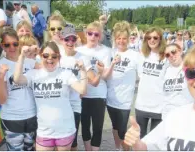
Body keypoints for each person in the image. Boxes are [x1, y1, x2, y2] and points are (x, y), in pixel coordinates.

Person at [12, 41, 87, 151]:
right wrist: (22, 56)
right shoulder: (34, 74)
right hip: (44, 131)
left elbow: (82, 90)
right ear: (40, 56)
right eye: (46, 55)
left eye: (54, 56)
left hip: (65, 130)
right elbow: (17, 79)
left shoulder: (65, 74)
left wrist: (83, 71)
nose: (49, 59)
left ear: (59, 57)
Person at [58, 26, 100, 151]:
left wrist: (100, 73)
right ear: (61, 40)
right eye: (67, 39)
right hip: (58, 103)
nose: (70, 42)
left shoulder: (82, 57)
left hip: (74, 105)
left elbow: (93, 81)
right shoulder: (55, 55)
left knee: (73, 141)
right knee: (57, 139)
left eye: (73, 39)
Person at [0, 28, 38, 151]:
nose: (12, 48)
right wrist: (2, 75)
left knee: (30, 149)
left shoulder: (30, 62)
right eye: (7, 45)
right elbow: (2, 100)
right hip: (12, 118)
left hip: (31, 114)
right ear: (2, 46)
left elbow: (51, 66)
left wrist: (37, 50)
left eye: (15, 44)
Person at [77, 21, 113, 151]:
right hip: (83, 93)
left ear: (100, 36)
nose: (93, 36)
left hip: (99, 93)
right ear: (85, 34)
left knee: (97, 127)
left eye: (96, 34)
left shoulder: (106, 51)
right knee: (85, 126)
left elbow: (107, 75)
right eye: (90, 33)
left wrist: (98, 73)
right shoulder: (79, 50)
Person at [106, 21, 140, 151]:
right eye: (119, 38)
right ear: (115, 39)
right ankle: (117, 148)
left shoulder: (135, 56)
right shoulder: (110, 53)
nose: (121, 41)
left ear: (128, 39)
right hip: (110, 98)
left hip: (125, 100)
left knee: (122, 128)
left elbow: (143, 74)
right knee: (115, 127)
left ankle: (126, 149)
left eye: (124, 38)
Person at [135, 27, 168, 138]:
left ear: (160, 39)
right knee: (140, 138)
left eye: (155, 37)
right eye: (149, 37)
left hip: (159, 105)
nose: (152, 40)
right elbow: (140, 75)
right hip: (142, 104)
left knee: (155, 140)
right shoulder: (142, 56)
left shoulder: (166, 57)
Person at [161, 43, 193, 118]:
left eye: (173, 52)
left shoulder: (190, 68)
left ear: (180, 51)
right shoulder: (165, 71)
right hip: (168, 115)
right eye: (167, 55)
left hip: (186, 115)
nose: (171, 55)